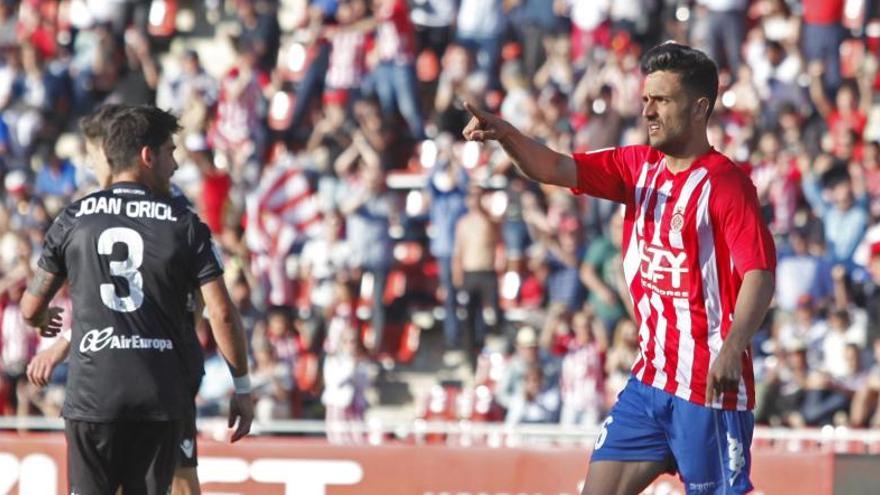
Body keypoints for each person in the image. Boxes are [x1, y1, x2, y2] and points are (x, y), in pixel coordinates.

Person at [463, 42, 776, 495]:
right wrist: (508, 134)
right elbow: (551, 166)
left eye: (662, 100)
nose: (648, 111)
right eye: (646, 99)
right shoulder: (634, 167)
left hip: (708, 387)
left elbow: (760, 275)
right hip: (649, 381)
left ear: (698, 108)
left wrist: (732, 348)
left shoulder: (726, 184)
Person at [20, 105, 254, 495]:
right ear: (148, 155)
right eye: (171, 152)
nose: (176, 165)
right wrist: (242, 388)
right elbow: (221, 311)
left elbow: (30, 308)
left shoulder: (75, 217)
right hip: (159, 383)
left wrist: (44, 321)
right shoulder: (181, 219)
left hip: (94, 390)